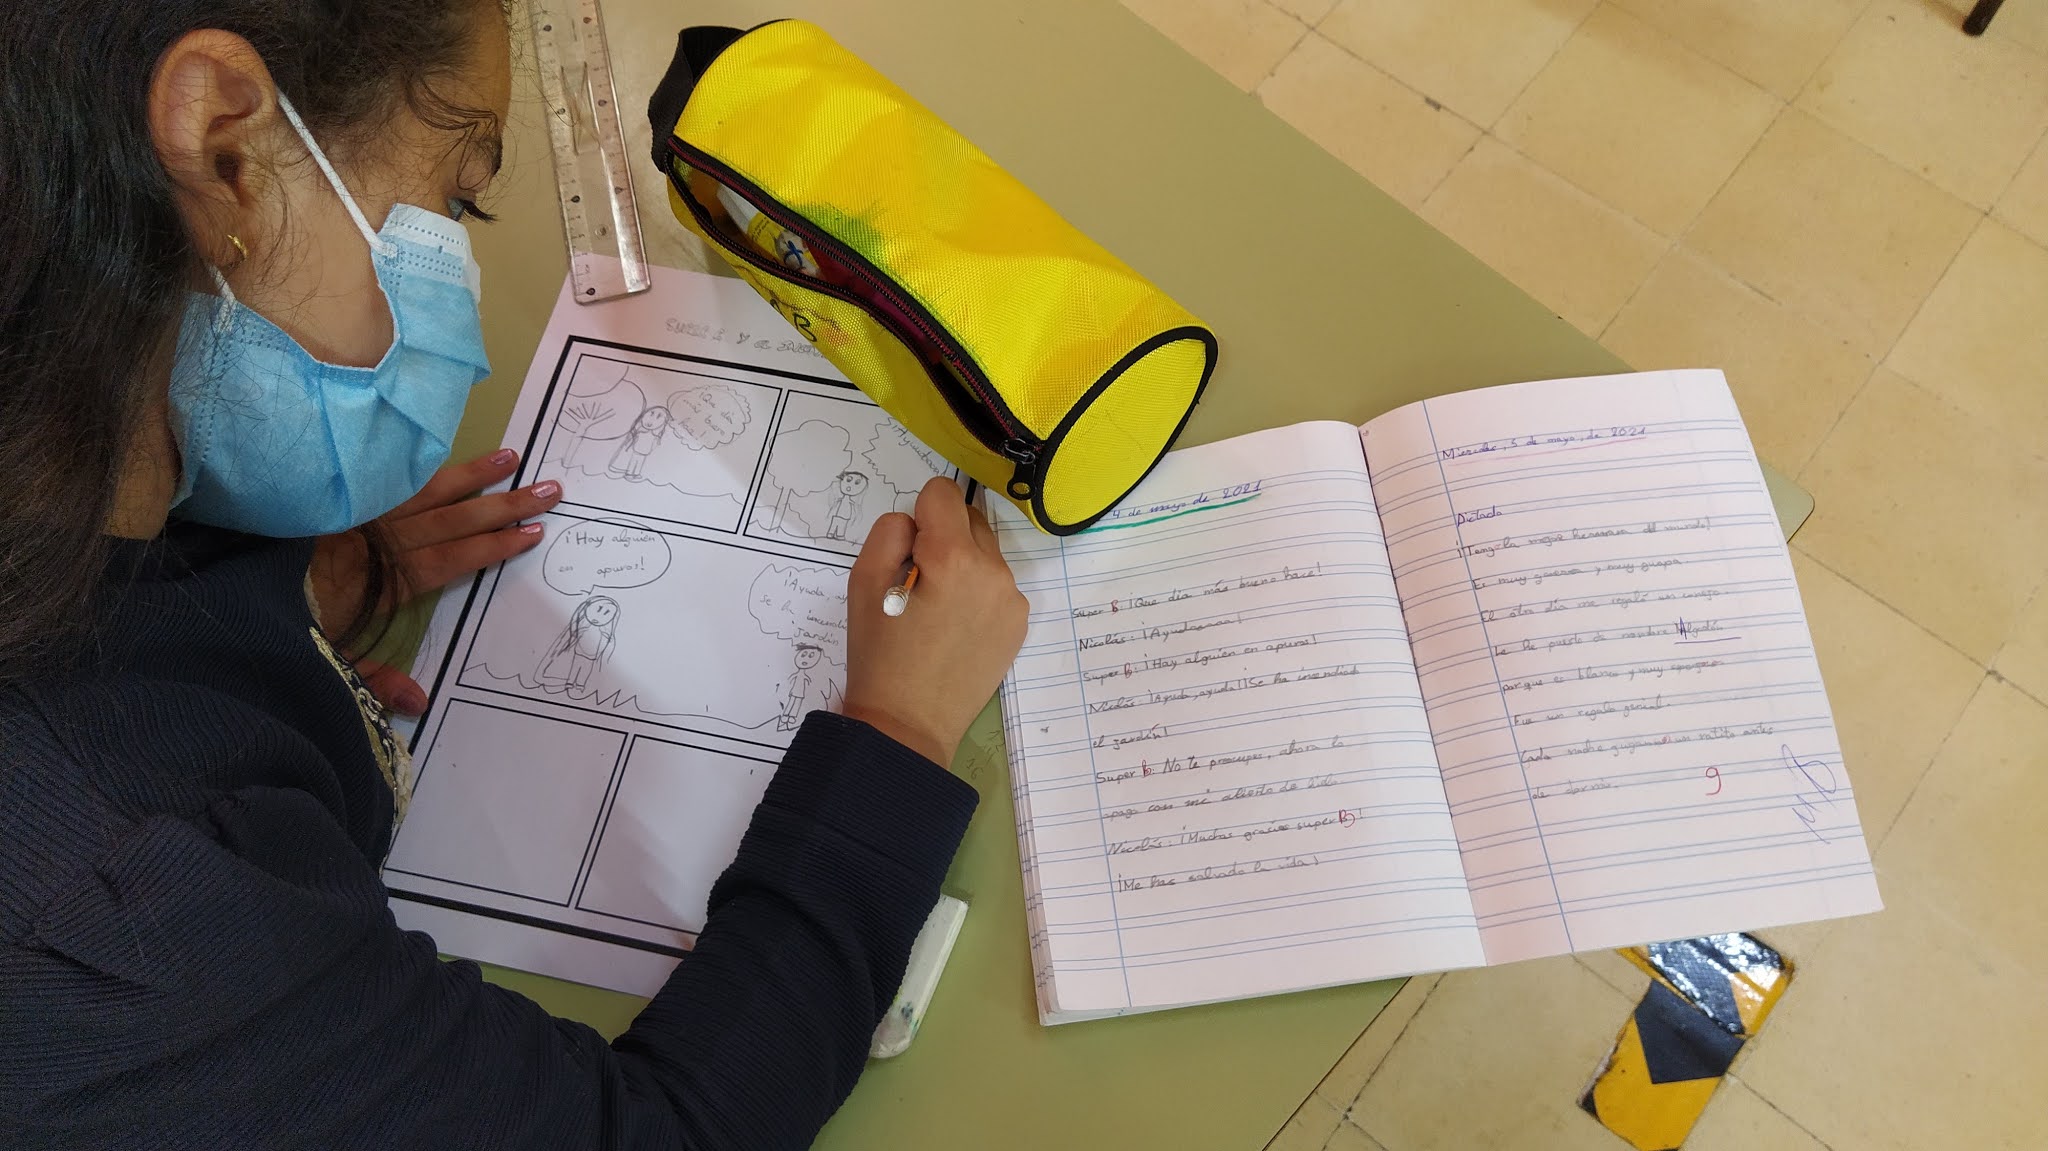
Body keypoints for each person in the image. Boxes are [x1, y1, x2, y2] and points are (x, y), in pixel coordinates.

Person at [0, 5, 1029, 1150]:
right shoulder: (125, 924)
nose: (465, 280)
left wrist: (254, 612)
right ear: (226, 143)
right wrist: (895, 733)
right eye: (458, 199)